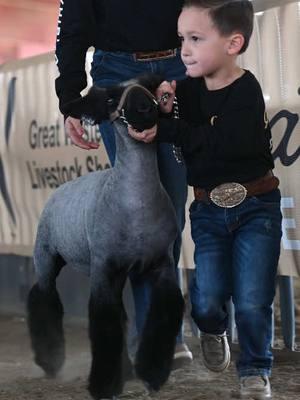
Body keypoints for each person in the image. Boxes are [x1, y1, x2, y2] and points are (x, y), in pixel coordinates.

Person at [128, 0, 282, 398]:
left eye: (196, 39)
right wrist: (162, 113)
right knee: (207, 297)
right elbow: (178, 126)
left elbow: (217, 144)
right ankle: (212, 328)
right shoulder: (188, 92)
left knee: (252, 298)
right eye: (182, 39)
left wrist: (171, 128)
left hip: (257, 207)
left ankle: (254, 368)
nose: (184, 50)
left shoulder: (247, 90)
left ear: (233, 44)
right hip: (208, 210)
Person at [54, 0, 192, 366]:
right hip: (116, 71)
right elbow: (73, 25)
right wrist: (70, 99)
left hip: (180, 64)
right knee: (144, 205)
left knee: (174, 207)